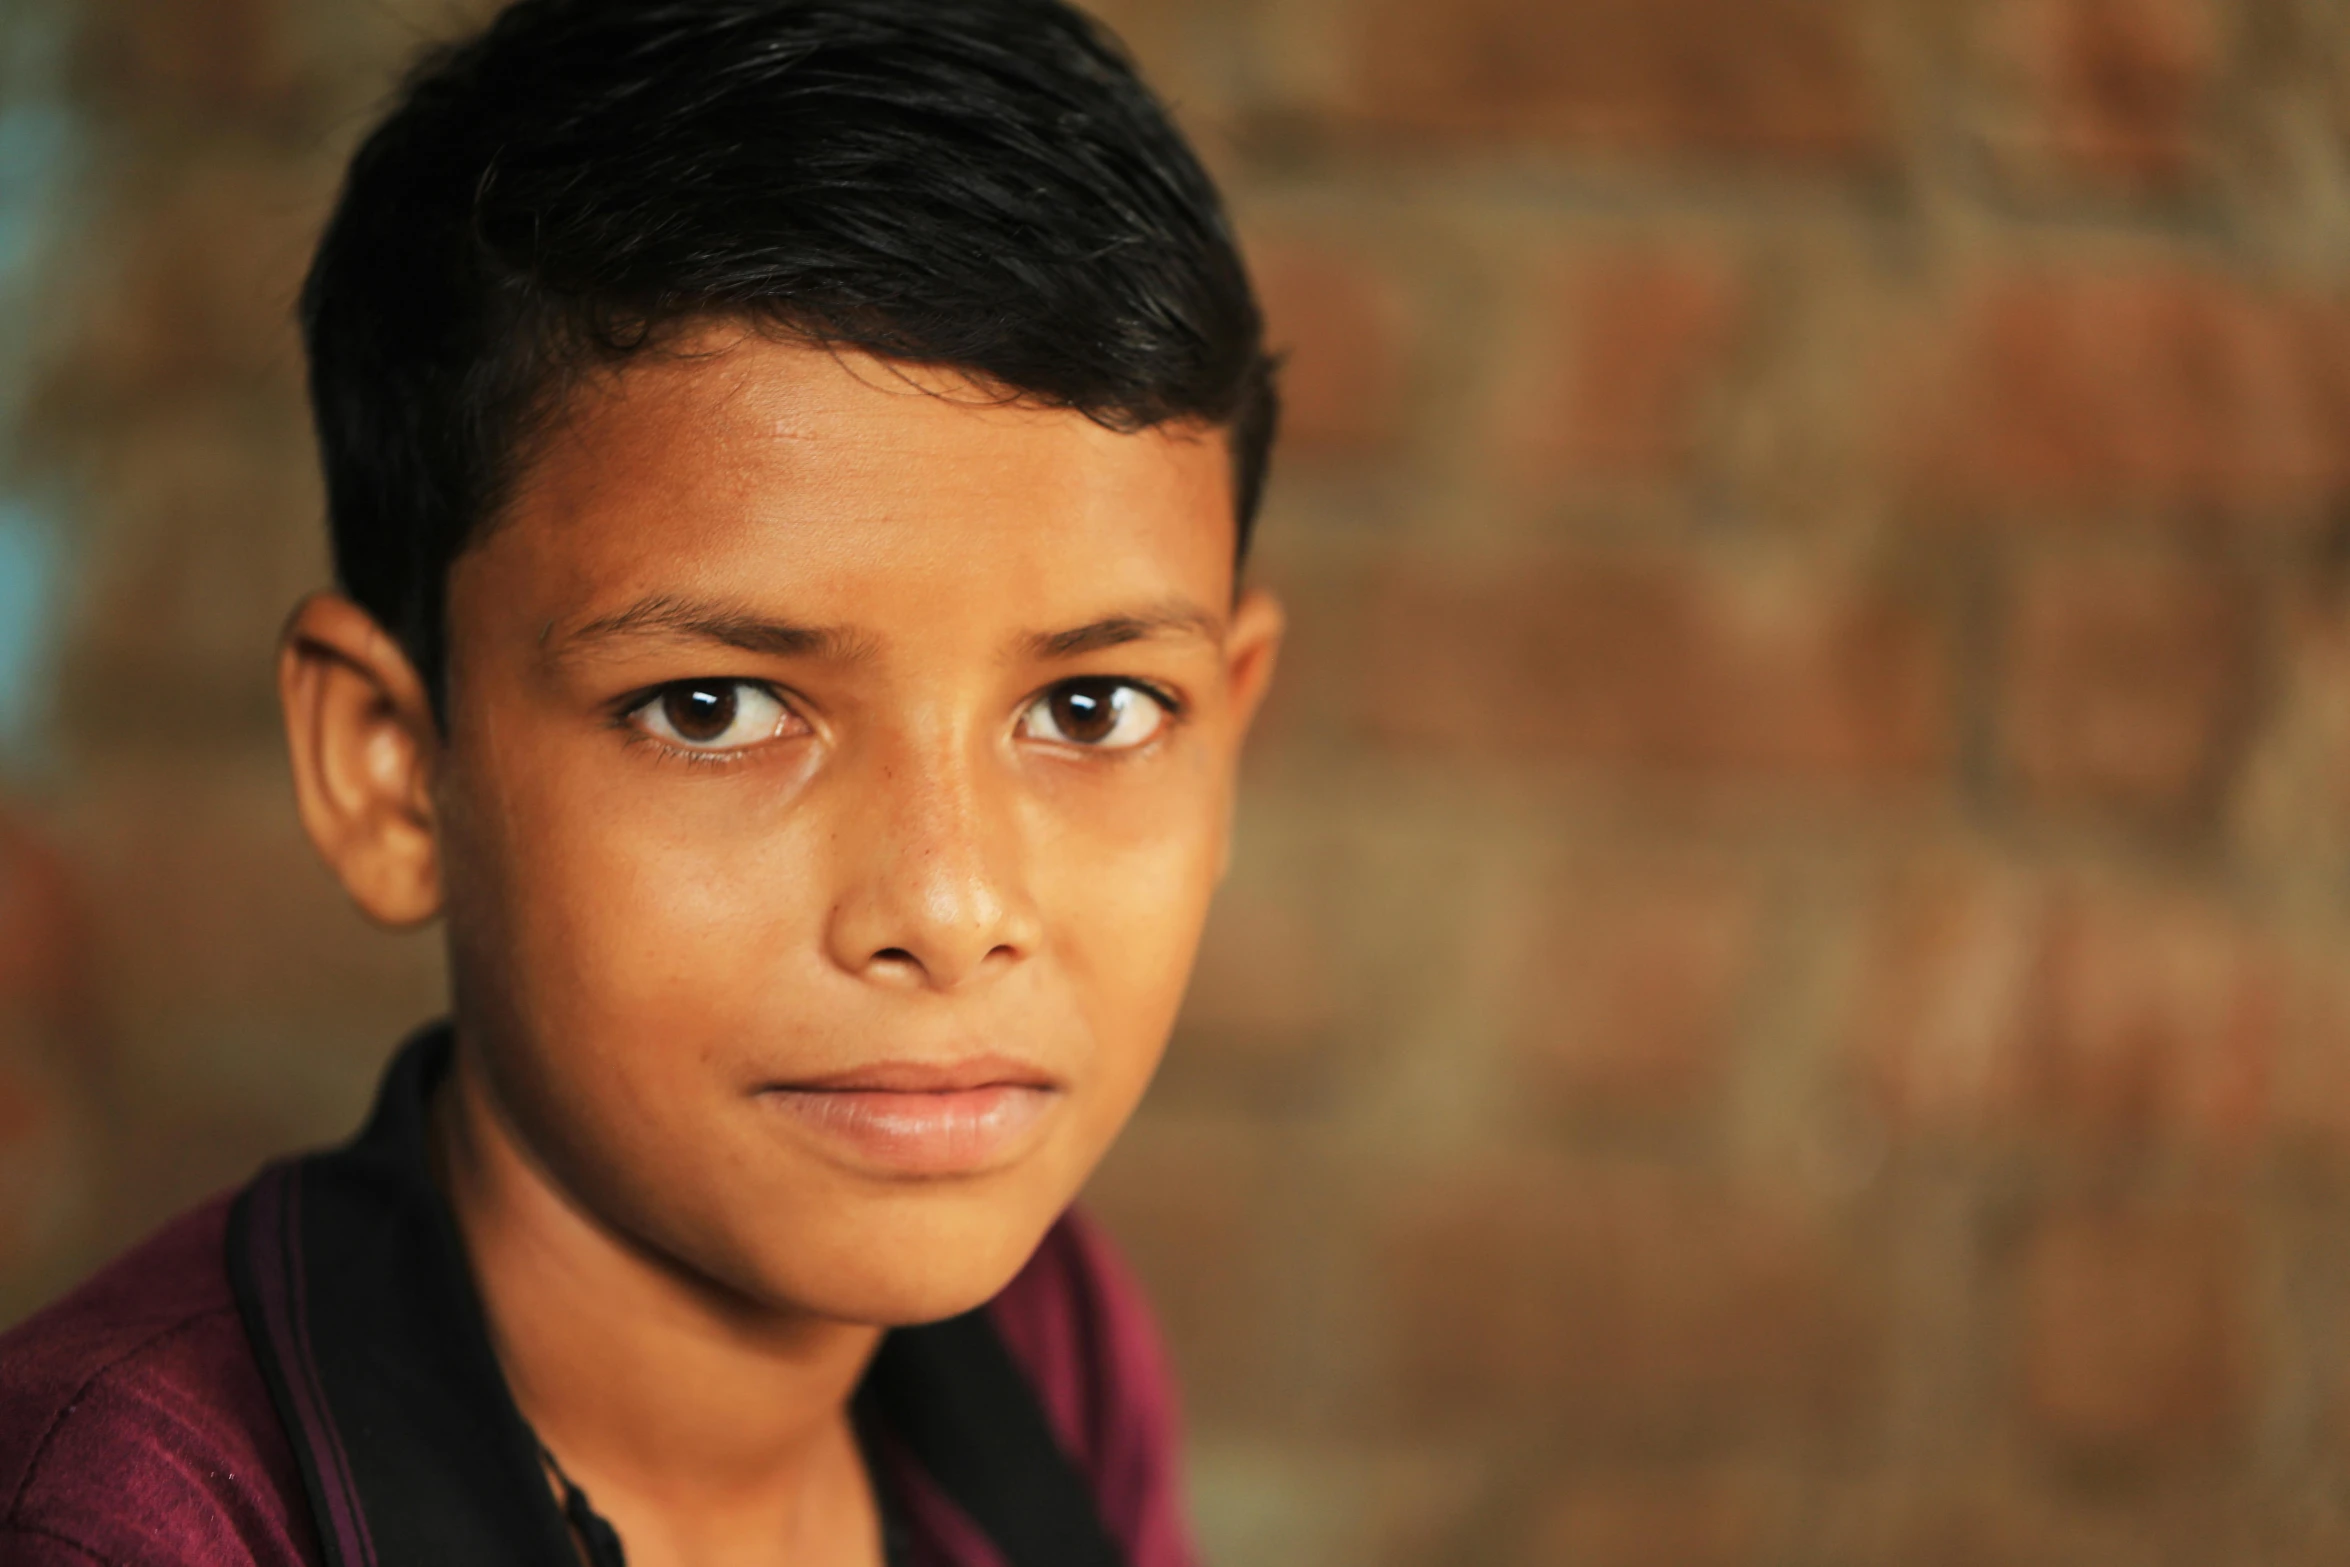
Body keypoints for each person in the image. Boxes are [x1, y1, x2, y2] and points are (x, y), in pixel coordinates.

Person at [0, 0, 1282, 1561]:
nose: (949, 907)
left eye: (1089, 707)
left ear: (1229, 722)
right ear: (393, 771)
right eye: (714, 705)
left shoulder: (1043, 1348)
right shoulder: (143, 1521)